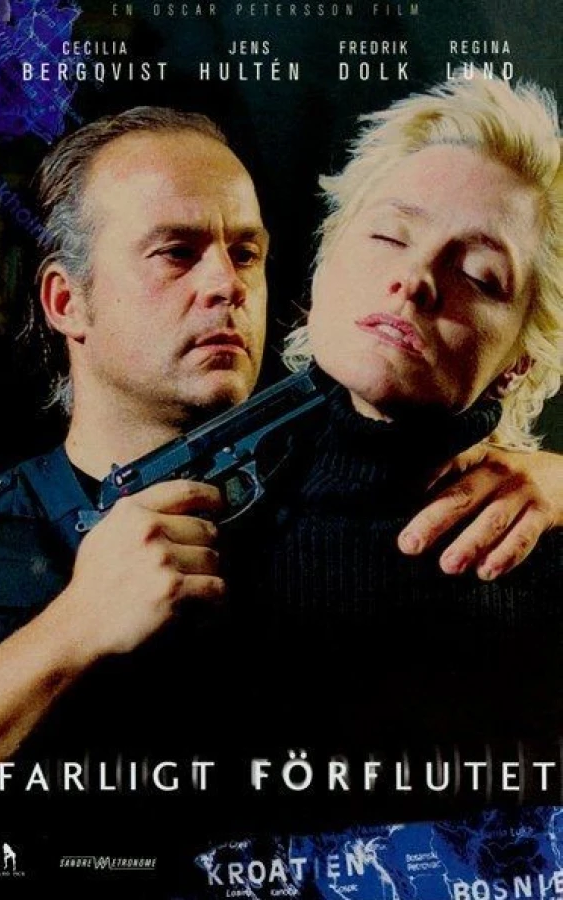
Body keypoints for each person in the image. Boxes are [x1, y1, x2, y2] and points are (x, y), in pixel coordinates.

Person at [0, 99, 562, 865]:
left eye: (247, 253)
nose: (228, 284)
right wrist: (73, 629)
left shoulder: (403, 497)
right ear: (66, 300)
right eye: (176, 253)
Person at [223, 73, 563, 835]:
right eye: (388, 236)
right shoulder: (184, 530)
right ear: (322, 268)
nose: (414, 280)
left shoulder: (546, 552)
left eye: (479, 275)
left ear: (518, 362)